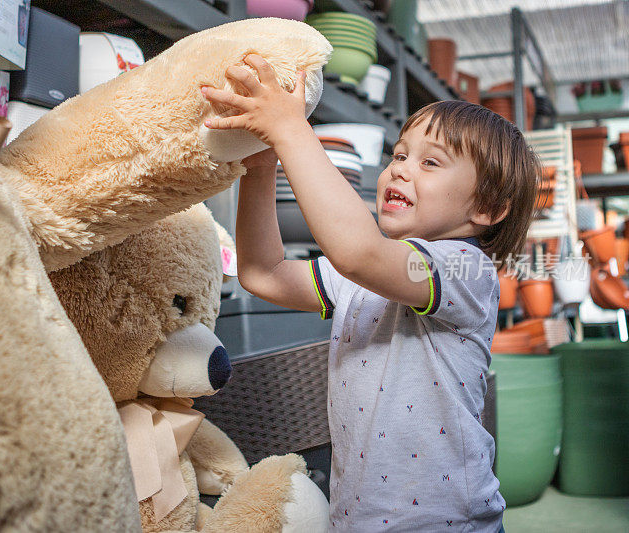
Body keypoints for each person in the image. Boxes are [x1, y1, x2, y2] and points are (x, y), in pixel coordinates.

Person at [201, 54, 539, 531]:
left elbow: (357, 250)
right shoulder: (362, 275)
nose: (399, 170)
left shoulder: (466, 269)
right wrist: (261, 169)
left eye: (430, 162)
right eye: (399, 155)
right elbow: (263, 273)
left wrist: (292, 130)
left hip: (446, 523)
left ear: (487, 206)